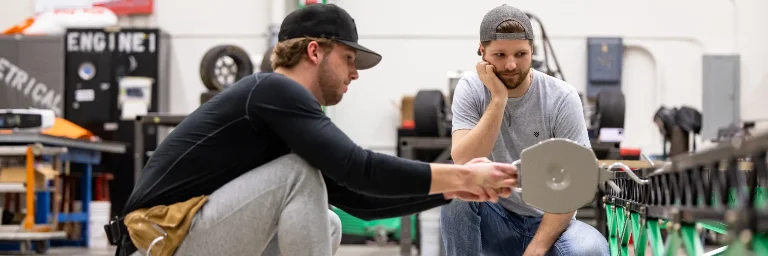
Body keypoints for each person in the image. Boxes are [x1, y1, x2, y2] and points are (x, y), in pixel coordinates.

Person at [107, 4, 519, 256]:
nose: (355, 74)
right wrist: (462, 174)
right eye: (348, 59)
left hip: (184, 239)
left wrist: (451, 191)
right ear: (314, 51)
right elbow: (359, 167)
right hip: (156, 242)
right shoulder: (273, 89)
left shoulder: (282, 111)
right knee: (298, 176)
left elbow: (355, 197)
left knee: (329, 221)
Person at [440, 4, 610, 256]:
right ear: (482, 52)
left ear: (532, 51)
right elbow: (463, 161)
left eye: (520, 54)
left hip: (553, 224)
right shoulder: (472, 89)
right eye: (500, 55)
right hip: (495, 218)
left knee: (591, 249)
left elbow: (577, 182)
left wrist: (537, 247)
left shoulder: (561, 97)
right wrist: (498, 99)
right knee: (456, 196)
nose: (511, 65)